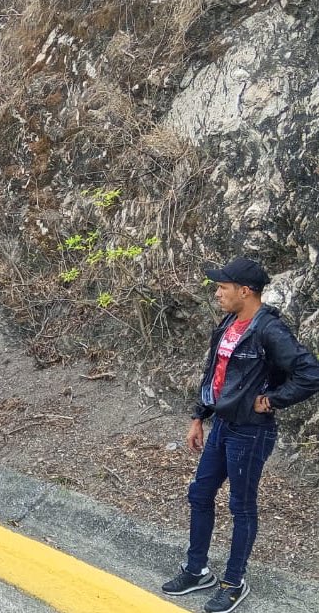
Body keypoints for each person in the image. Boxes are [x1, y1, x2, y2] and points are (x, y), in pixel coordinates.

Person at [162, 257, 319, 612]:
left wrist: (272, 399)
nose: (217, 293)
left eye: (223, 288)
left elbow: (310, 373)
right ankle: (197, 569)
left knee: (241, 507)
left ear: (244, 291)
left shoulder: (269, 330)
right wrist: (198, 416)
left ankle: (234, 582)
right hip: (223, 425)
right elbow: (213, 371)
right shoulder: (230, 322)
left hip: (251, 431)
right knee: (200, 493)